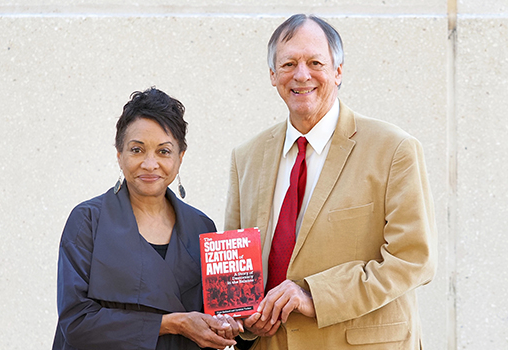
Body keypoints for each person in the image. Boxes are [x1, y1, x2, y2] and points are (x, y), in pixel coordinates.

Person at [225, 14, 437, 350]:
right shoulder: (246, 157)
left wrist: (315, 296)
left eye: (315, 62)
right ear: (272, 75)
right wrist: (242, 318)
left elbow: (413, 259)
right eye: (289, 63)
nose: (301, 74)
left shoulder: (394, 149)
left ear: (338, 72)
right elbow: (240, 271)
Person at [53, 87, 242, 350]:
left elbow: (212, 315)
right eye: (137, 150)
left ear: (180, 158)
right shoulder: (88, 221)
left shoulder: (202, 228)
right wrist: (171, 324)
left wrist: (227, 323)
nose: (150, 164)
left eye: (164, 151)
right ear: (119, 155)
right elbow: (76, 323)